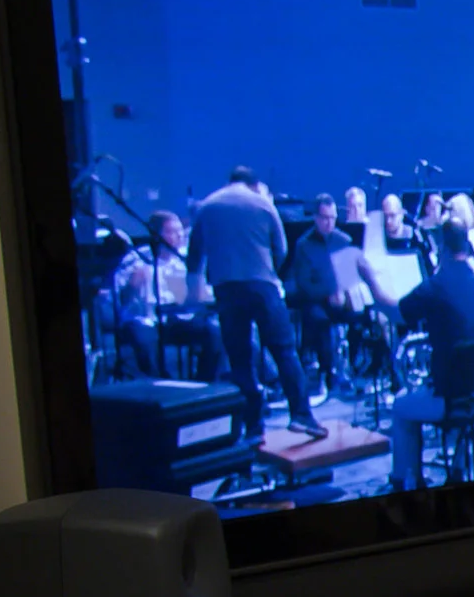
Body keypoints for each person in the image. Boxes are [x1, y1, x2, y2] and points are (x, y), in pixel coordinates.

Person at [190, 165, 319, 438]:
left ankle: (253, 425)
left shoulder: (207, 206)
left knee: (240, 360)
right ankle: (301, 415)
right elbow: (281, 251)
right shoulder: (263, 203)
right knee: (284, 352)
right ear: (254, 184)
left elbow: (194, 257)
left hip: (226, 290)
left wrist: (196, 293)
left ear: (229, 182)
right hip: (263, 286)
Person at [388, 224, 474, 489]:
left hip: (450, 397)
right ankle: (458, 467)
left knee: (400, 407)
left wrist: (370, 280)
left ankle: (406, 481)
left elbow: (399, 313)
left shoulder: (435, 286)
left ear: (441, 249)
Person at [111, 210, 222, 380]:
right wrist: (133, 283)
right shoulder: (137, 258)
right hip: (144, 319)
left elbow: (199, 296)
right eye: (172, 231)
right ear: (156, 234)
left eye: (180, 231)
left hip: (176, 318)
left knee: (214, 331)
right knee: (144, 341)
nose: (179, 236)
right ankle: (161, 384)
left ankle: (203, 382)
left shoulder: (184, 260)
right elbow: (118, 298)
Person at [281, 192, 371, 392]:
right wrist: (329, 294)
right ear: (316, 218)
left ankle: (355, 368)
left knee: (363, 315)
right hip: (315, 301)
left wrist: (345, 293)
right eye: (325, 218)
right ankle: (328, 372)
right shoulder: (303, 245)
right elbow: (304, 283)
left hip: (341, 298)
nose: (329, 223)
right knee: (319, 319)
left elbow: (350, 275)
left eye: (332, 218)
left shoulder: (344, 240)